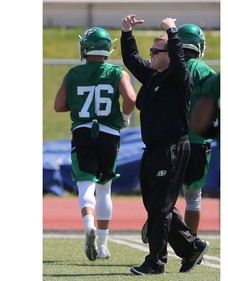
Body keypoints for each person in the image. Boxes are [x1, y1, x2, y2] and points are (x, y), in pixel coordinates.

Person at [120, 14, 209, 275]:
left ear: (169, 55)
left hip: (172, 148)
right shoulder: (153, 77)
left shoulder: (177, 79)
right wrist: (126, 33)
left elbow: (180, 62)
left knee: (160, 207)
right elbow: (131, 59)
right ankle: (191, 246)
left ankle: (155, 262)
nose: (151, 55)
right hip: (153, 150)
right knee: (156, 205)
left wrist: (172, 32)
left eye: (156, 52)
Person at [54, 26, 136, 261]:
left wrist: (80, 104)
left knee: (85, 185)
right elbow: (131, 98)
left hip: (83, 132)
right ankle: (103, 246)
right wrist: (124, 117)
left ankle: (88, 223)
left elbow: (58, 105)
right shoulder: (116, 72)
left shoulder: (73, 74)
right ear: (107, 49)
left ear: (85, 48)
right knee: (105, 189)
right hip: (110, 133)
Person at [178, 24, 217, 243]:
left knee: (163, 198)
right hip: (197, 141)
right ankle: (191, 244)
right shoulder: (205, 72)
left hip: (169, 141)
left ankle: (159, 241)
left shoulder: (167, 67)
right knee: (193, 198)